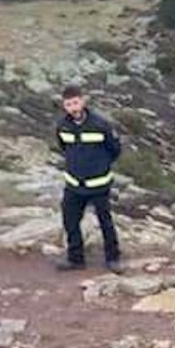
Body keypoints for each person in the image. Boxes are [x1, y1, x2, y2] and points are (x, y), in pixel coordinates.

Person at [54, 85, 123, 273]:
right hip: (74, 184)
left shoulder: (100, 124)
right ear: (64, 106)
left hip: (98, 184)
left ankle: (113, 258)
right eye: (68, 104)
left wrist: (100, 166)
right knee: (70, 220)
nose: (73, 107)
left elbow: (115, 149)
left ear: (83, 101)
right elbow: (63, 148)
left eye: (76, 102)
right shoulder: (62, 126)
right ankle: (75, 259)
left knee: (105, 221)